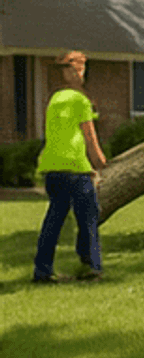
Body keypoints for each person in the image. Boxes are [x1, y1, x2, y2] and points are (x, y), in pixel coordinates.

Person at [32, 50, 108, 284]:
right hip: (75, 169)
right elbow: (90, 140)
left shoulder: (55, 100)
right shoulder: (81, 102)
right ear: (78, 71)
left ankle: (42, 271)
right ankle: (92, 266)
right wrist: (103, 165)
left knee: (53, 220)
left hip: (52, 169)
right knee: (88, 218)